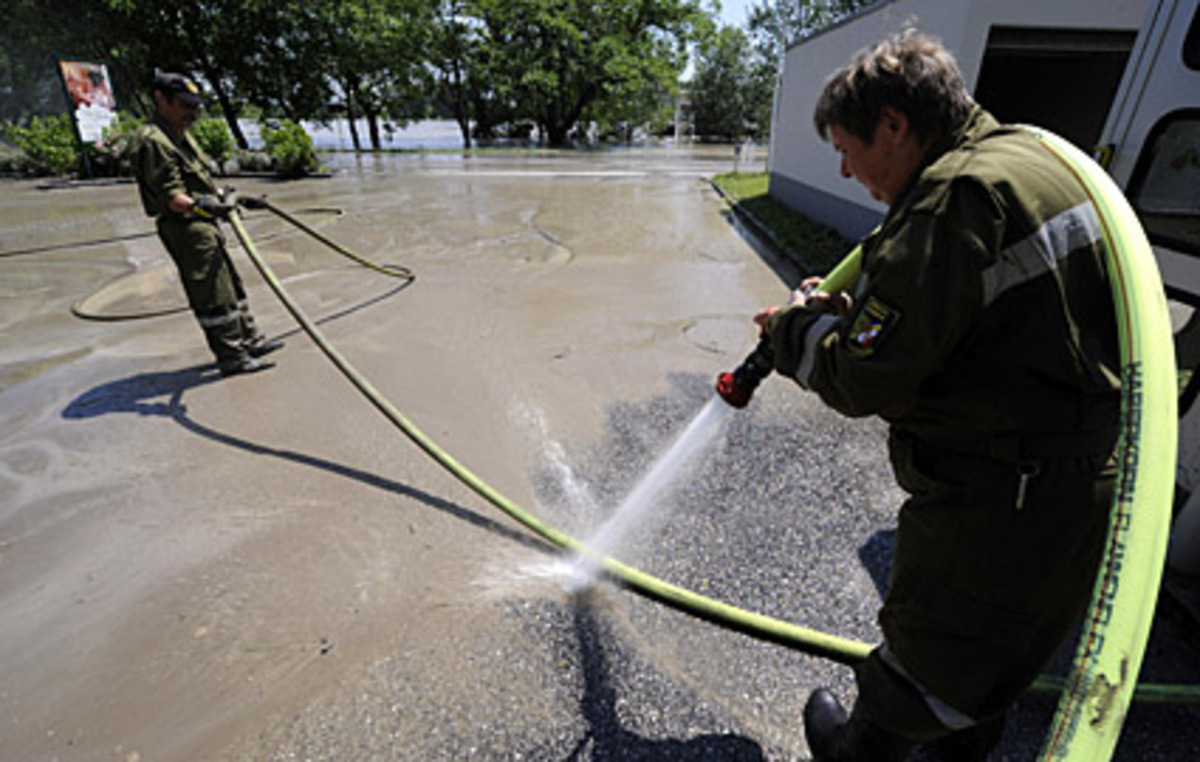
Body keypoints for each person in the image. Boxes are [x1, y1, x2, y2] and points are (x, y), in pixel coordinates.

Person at [753, 31, 1122, 761]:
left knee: (929, 653)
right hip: (1072, 476)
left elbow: (865, 377)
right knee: (990, 663)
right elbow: (988, 317)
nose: (844, 169)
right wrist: (864, 316)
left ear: (893, 124)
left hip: (999, 493)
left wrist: (795, 332)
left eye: (847, 149)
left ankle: (857, 751)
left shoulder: (951, 201)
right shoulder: (1032, 161)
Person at [131, 72, 282, 376]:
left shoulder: (180, 133)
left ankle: (250, 341)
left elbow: (199, 182)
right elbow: (172, 197)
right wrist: (202, 206)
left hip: (205, 224)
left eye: (195, 106)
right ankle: (232, 357)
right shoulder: (154, 141)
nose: (193, 112)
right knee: (213, 295)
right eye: (185, 105)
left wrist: (228, 198)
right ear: (161, 99)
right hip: (186, 228)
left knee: (231, 287)